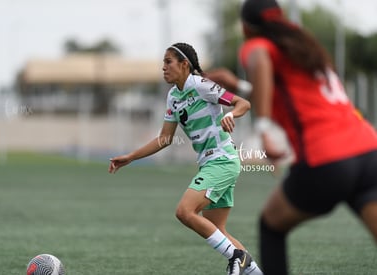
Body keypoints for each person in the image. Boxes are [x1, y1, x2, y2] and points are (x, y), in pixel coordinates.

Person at [205, 0, 377, 274]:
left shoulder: (259, 44)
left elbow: (259, 56)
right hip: (369, 152)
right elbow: (287, 96)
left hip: (327, 158)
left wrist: (263, 129)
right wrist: (237, 86)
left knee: (271, 225)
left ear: (247, 27)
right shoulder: (305, 51)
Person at [109, 42, 263, 275]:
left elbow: (244, 103)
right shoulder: (173, 96)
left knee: (184, 211)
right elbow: (164, 139)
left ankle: (237, 256)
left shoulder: (201, 85)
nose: (163, 67)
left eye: (168, 62)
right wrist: (131, 157)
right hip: (210, 164)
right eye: (163, 63)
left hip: (222, 160)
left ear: (184, 65)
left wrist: (231, 114)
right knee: (218, 230)